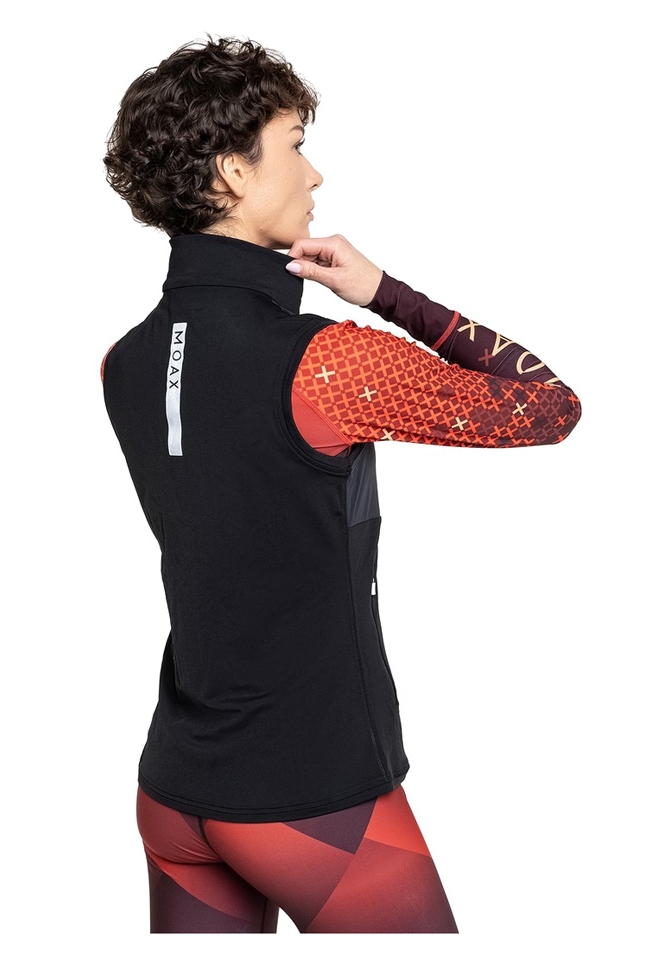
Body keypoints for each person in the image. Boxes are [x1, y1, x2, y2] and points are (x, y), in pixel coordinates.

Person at [101, 36, 581, 935]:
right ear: (232, 171)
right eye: (293, 145)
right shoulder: (325, 363)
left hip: (174, 794)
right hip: (310, 798)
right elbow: (549, 407)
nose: (314, 174)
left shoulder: (121, 362)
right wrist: (386, 293)